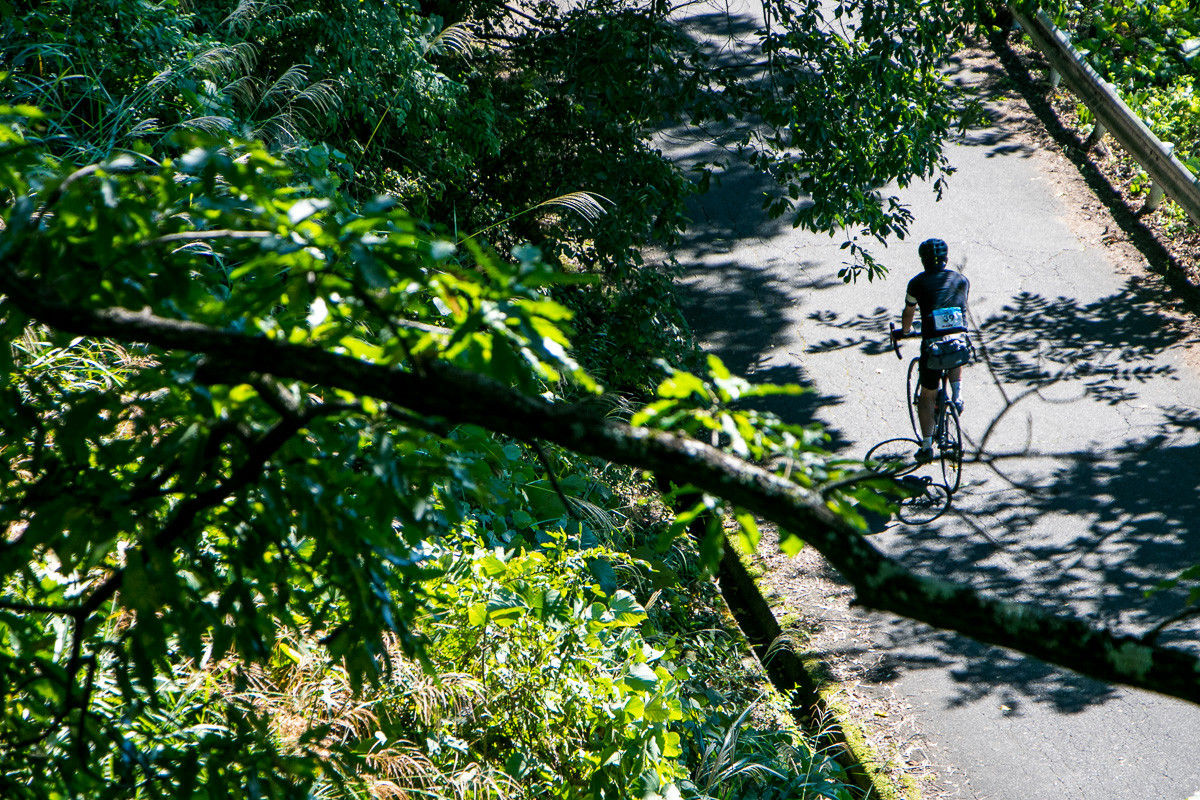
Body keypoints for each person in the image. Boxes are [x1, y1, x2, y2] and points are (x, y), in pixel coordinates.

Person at [891, 238, 971, 463]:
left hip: (932, 347)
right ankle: (957, 396)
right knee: (955, 348)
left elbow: (909, 313)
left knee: (927, 395)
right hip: (959, 343)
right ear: (946, 258)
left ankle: (926, 446)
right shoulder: (961, 280)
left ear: (923, 260)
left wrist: (905, 332)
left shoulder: (916, 283)